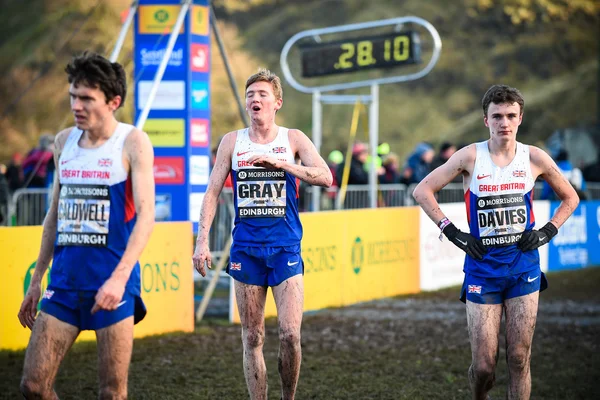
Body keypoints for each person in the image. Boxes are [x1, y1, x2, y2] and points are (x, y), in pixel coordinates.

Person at [413, 84, 579, 400]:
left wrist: (547, 232)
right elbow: (422, 190)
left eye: (510, 116)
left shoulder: (534, 157)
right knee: (485, 366)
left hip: (522, 267)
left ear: (520, 118)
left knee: (518, 357)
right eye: (497, 116)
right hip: (482, 269)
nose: (504, 122)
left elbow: (570, 197)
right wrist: (452, 232)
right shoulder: (471, 156)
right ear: (485, 120)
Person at [17, 51, 155, 399]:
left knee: (111, 392)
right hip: (63, 284)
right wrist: (36, 282)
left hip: (112, 284)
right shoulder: (64, 142)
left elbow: (146, 216)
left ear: (113, 101)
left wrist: (120, 278)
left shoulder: (132, 142)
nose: (76, 106)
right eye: (72, 97)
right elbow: (53, 217)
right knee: (33, 387)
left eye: (86, 99)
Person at [192, 69, 332, 400]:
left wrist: (282, 165)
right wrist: (202, 242)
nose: (255, 99)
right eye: (250, 94)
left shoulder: (292, 139)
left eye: (262, 94)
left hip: (285, 249)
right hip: (246, 250)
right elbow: (212, 192)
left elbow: (325, 176)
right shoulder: (232, 141)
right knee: (252, 336)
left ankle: (288, 397)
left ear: (277, 103)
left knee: (289, 335)